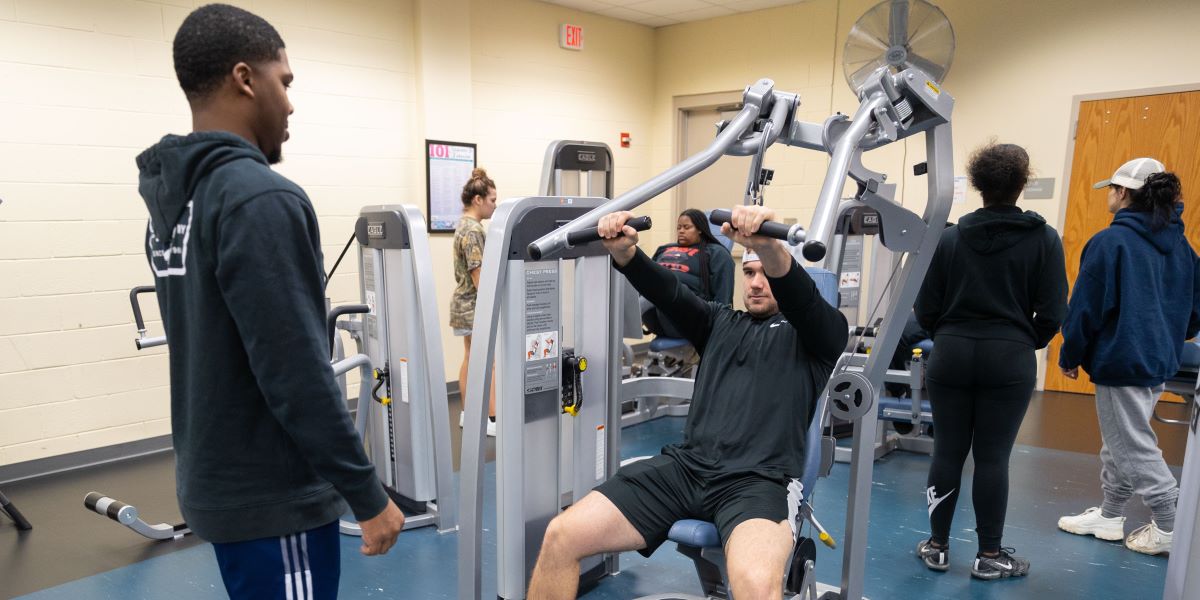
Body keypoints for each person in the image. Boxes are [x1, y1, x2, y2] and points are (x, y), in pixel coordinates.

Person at [137, 5, 404, 598]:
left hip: (220, 484)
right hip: (273, 494)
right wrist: (367, 494)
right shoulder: (260, 197)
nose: (290, 102)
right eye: (284, 81)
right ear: (244, 78)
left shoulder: (176, 204)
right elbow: (295, 372)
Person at [527, 205, 848, 599]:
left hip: (757, 482)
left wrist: (767, 247)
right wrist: (626, 254)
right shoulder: (718, 322)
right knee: (562, 535)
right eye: (748, 272)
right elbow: (668, 291)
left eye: (766, 272)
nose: (757, 282)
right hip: (684, 470)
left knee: (758, 585)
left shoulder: (818, 335)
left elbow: (803, 301)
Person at [913, 143, 1067, 580]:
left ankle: (938, 546)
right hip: (1010, 358)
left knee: (947, 451)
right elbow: (1054, 311)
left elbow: (926, 307)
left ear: (978, 185)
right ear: (1022, 184)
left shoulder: (950, 238)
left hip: (952, 354)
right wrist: (1020, 339)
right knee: (993, 458)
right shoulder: (1044, 238)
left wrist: (949, 334)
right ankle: (990, 556)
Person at [1057, 160, 1200, 556]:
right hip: (1159, 360)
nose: (1108, 195)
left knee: (1131, 444)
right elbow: (1194, 314)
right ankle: (1109, 514)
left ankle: (1171, 525)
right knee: (1119, 440)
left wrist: (1071, 353)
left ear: (1122, 193)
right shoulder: (1184, 247)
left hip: (1122, 359)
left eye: (1111, 189)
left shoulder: (1110, 242)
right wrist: (1167, 336)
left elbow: (1086, 308)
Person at [450, 168, 498, 436]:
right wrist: (492, 303)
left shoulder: (464, 225)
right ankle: (491, 419)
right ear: (477, 199)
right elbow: (477, 271)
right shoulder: (473, 230)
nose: (494, 205)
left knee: (471, 358)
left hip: (464, 304)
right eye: (492, 199)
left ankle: (469, 415)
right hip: (473, 305)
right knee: (487, 361)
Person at [641, 208, 735, 337]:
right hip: (655, 312)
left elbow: (723, 295)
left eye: (686, 227)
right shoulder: (664, 248)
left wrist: (719, 327)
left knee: (660, 291)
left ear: (700, 229)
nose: (681, 231)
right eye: (679, 227)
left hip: (689, 314)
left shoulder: (716, 252)